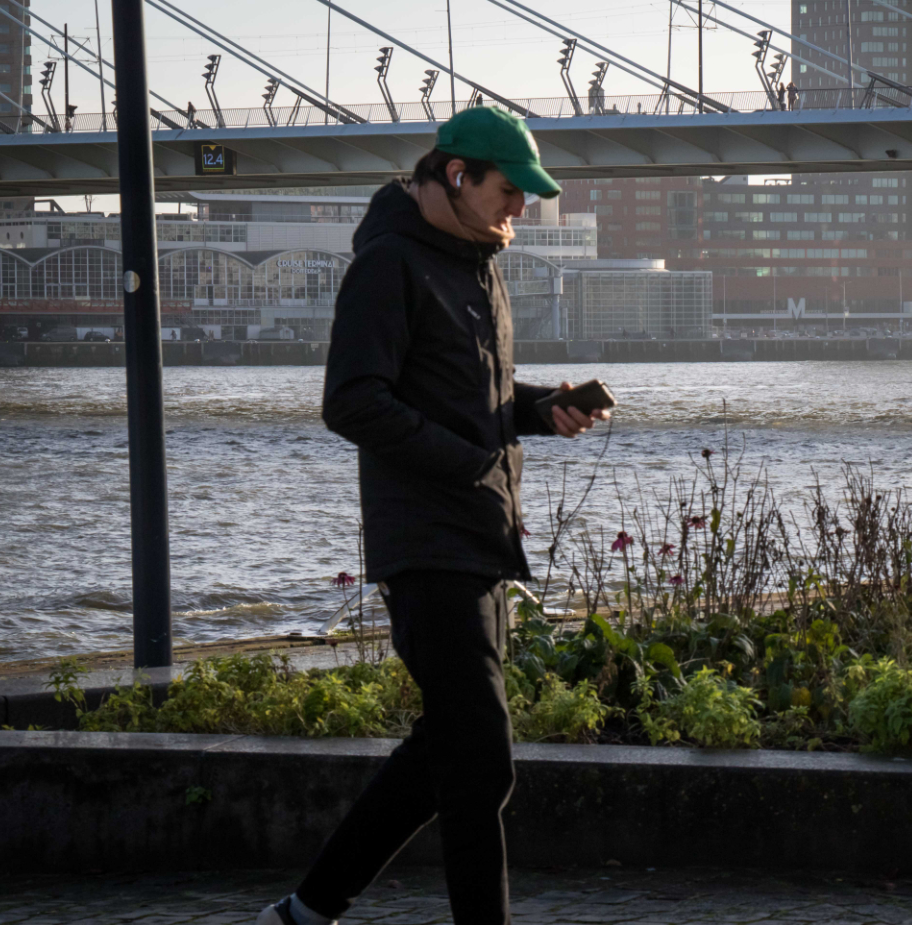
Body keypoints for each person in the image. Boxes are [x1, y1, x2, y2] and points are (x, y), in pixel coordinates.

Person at [258, 107, 608, 925]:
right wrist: (464, 459)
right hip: (424, 543)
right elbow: (350, 400)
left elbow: (471, 400)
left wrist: (537, 408)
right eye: (509, 189)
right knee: (482, 762)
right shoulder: (389, 266)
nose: (521, 207)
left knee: (447, 749)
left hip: (483, 537)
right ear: (456, 176)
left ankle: (307, 911)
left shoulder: (478, 262)